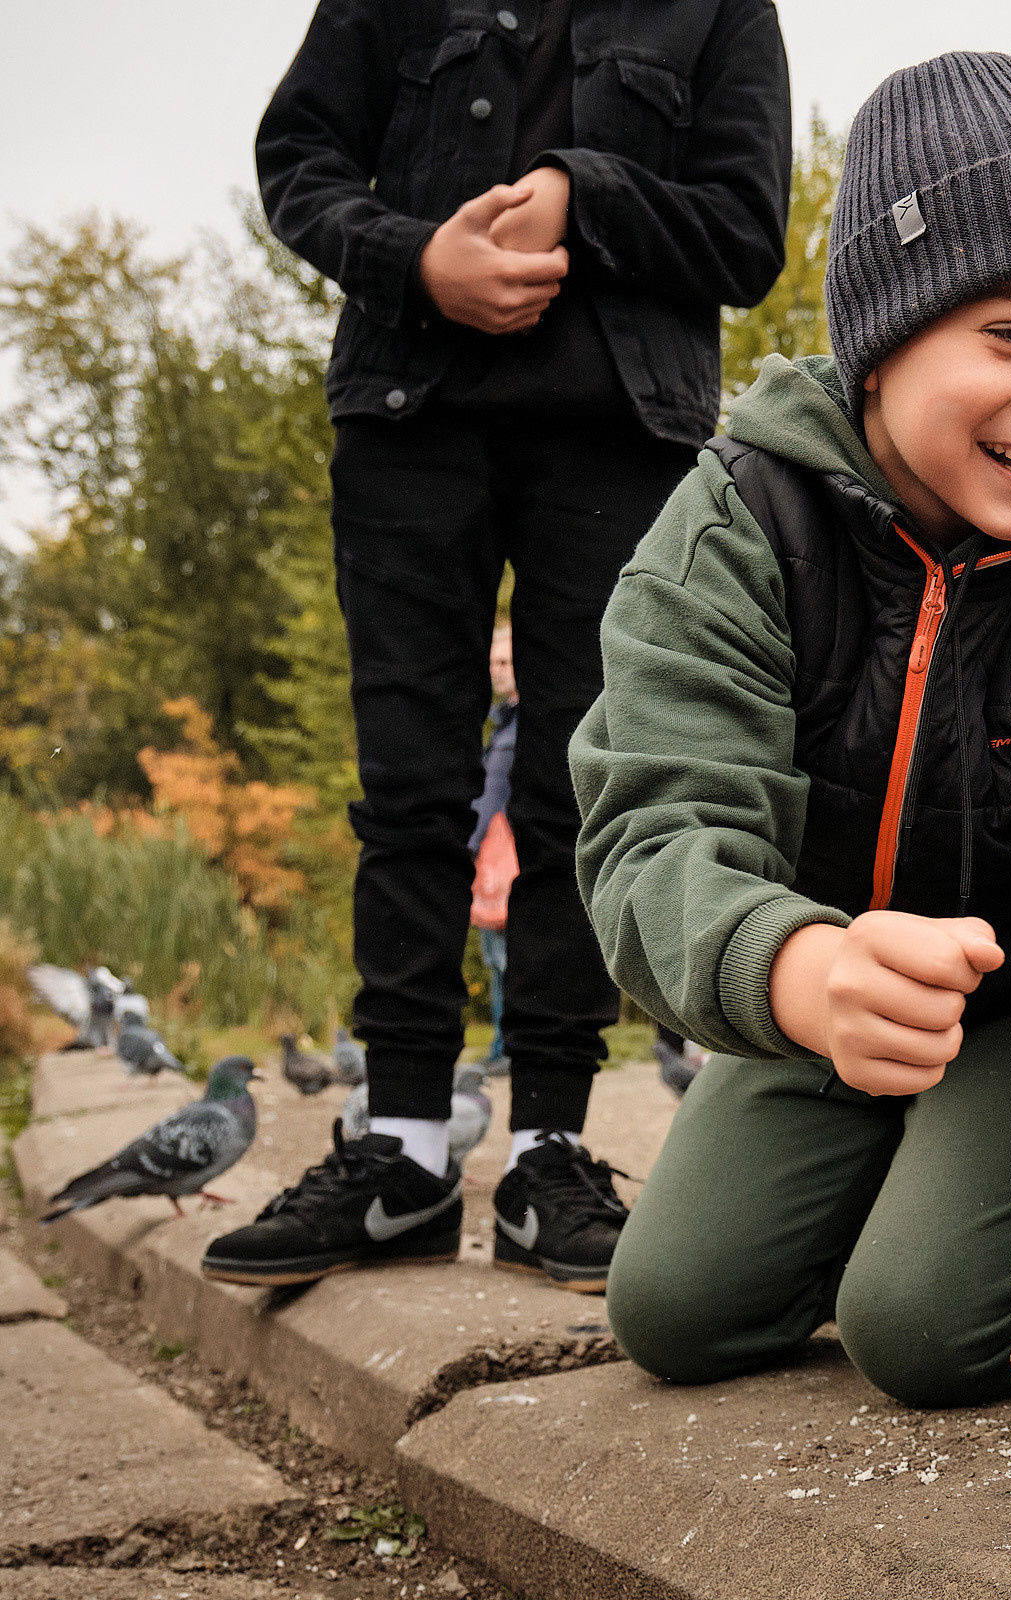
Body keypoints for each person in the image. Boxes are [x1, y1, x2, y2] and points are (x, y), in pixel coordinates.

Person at [573, 54, 1011, 1438]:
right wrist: (798, 967)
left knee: (917, 1325)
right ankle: (929, 1177)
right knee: (673, 1309)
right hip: (833, 996)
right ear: (882, 340)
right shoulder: (734, 528)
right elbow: (654, 839)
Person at [204, 0, 792, 1295]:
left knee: (584, 788)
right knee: (408, 786)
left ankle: (548, 1155)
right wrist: (417, 260)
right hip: (407, 423)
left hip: (621, 441)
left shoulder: (720, 9)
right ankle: (404, 1149)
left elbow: (748, 234)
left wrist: (586, 193)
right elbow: (297, 160)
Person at [469, 623, 518, 1070]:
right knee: (500, 961)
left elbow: (490, 803)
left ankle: (506, 1048)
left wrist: (469, 847)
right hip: (498, 859)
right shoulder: (502, 726)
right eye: (492, 663)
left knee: (504, 961)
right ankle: (505, 1046)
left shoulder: (514, 733)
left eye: (504, 661)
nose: (496, 671)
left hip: (504, 864)